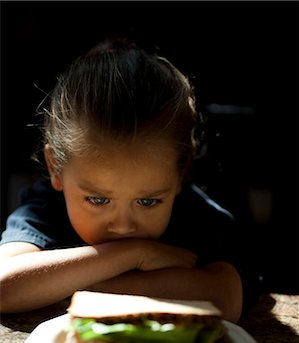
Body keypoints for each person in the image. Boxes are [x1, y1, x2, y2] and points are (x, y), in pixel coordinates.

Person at [0, 37, 243, 321]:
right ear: (56, 168)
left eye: (148, 201)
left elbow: (225, 300)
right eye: (98, 199)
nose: (123, 226)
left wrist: (59, 285)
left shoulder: (198, 215)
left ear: (181, 172)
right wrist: (134, 253)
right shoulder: (44, 208)